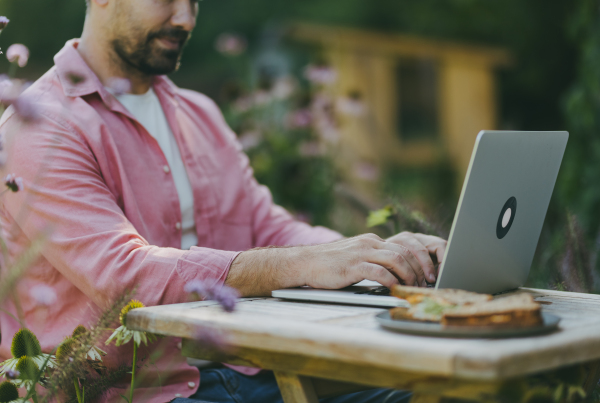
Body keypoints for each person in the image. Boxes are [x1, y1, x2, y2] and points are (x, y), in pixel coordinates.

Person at [0, 0, 446, 401]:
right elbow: (124, 277)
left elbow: (270, 228)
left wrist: (378, 257)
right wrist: (301, 263)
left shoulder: (201, 115)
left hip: (255, 370)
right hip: (138, 392)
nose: (185, 18)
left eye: (194, 1)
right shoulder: (43, 125)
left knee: (445, 394)